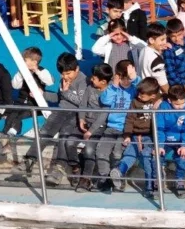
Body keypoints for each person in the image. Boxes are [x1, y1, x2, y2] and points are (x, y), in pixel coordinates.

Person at [21, 53, 84, 184]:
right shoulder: (64, 80)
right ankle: (30, 159)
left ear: (76, 69)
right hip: (61, 111)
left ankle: (59, 168)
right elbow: (59, 97)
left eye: (68, 73)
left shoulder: (83, 81)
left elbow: (82, 102)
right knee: (45, 131)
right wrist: (43, 94)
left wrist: (66, 92)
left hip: (75, 114)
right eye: (62, 74)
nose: (65, 77)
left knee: (64, 136)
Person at [113, 77, 163, 198]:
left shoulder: (157, 100)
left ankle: (150, 186)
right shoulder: (135, 102)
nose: (139, 96)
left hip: (150, 136)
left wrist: (161, 99)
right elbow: (130, 119)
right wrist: (127, 135)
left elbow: (168, 94)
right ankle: (119, 171)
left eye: (143, 95)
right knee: (129, 154)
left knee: (147, 159)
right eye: (139, 93)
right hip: (136, 135)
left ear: (152, 96)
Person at [92, 59, 137, 191]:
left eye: (128, 78)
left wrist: (134, 78)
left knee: (118, 154)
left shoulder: (135, 89)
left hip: (127, 129)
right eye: (123, 77)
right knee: (101, 152)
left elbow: (144, 90)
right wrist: (114, 86)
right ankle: (104, 178)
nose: (126, 81)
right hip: (112, 127)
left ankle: (119, 179)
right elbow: (105, 100)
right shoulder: (113, 88)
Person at [75, 63, 114, 192]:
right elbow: (83, 105)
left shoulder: (109, 93)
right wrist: (81, 119)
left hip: (100, 126)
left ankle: (86, 179)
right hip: (87, 123)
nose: (91, 80)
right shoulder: (90, 88)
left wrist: (91, 131)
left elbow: (104, 115)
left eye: (94, 78)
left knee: (89, 150)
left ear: (103, 81)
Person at [158, 84, 185, 199]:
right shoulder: (163, 107)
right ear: (169, 100)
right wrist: (159, 145)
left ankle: (180, 181)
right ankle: (158, 179)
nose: (180, 107)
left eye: (182, 103)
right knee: (156, 156)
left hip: (180, 140)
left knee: (184, 157)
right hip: (165, 139)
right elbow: (159, 127)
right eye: (176, 104)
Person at [162, 19, 185, 89]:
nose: (177, 39)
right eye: (173, 36)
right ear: (168, 35)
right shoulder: (169, 50)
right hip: (181, 87)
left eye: (179, 35)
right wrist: (182, 86)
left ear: (183, 31)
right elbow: (171, 73)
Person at [134, 22, 170, 92]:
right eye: (162, 39)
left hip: (144, 89)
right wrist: (171, 96)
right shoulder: (156, 60)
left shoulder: (144, 50)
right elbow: (163, 83)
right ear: (151, 40)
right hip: (154, 93)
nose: (165, 42)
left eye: (165, 39)